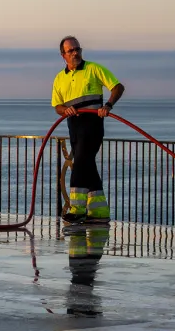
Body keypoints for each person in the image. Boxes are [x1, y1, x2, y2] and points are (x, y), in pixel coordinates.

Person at [51, 37, 125, 224]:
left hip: (92, 124)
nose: (76, 53)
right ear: (63, 55)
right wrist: (64, 109)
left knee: (81, 163)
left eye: (78, 49)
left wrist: (108, 105)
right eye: (71, 50)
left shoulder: (93, 68)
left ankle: (76, 208)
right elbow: (57, 106)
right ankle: (99, 211)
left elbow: (118, 87)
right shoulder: (60, 78)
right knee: (88, 165)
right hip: (74, 126)